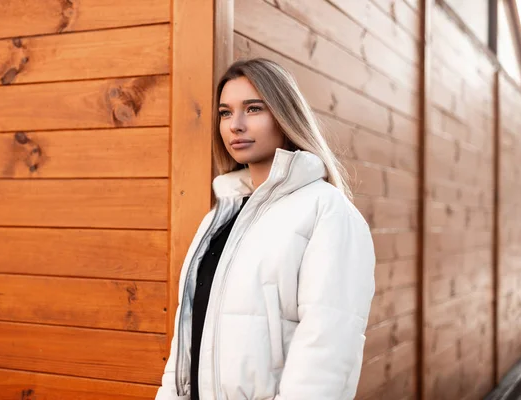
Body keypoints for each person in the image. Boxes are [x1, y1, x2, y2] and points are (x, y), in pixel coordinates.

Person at [156, 58, 376, 400]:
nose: (235, 125)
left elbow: (327, 353)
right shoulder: (220, 217)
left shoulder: (327, 212)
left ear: (285, 115)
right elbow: (188, 336)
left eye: (253, 109)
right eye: (225, 113)